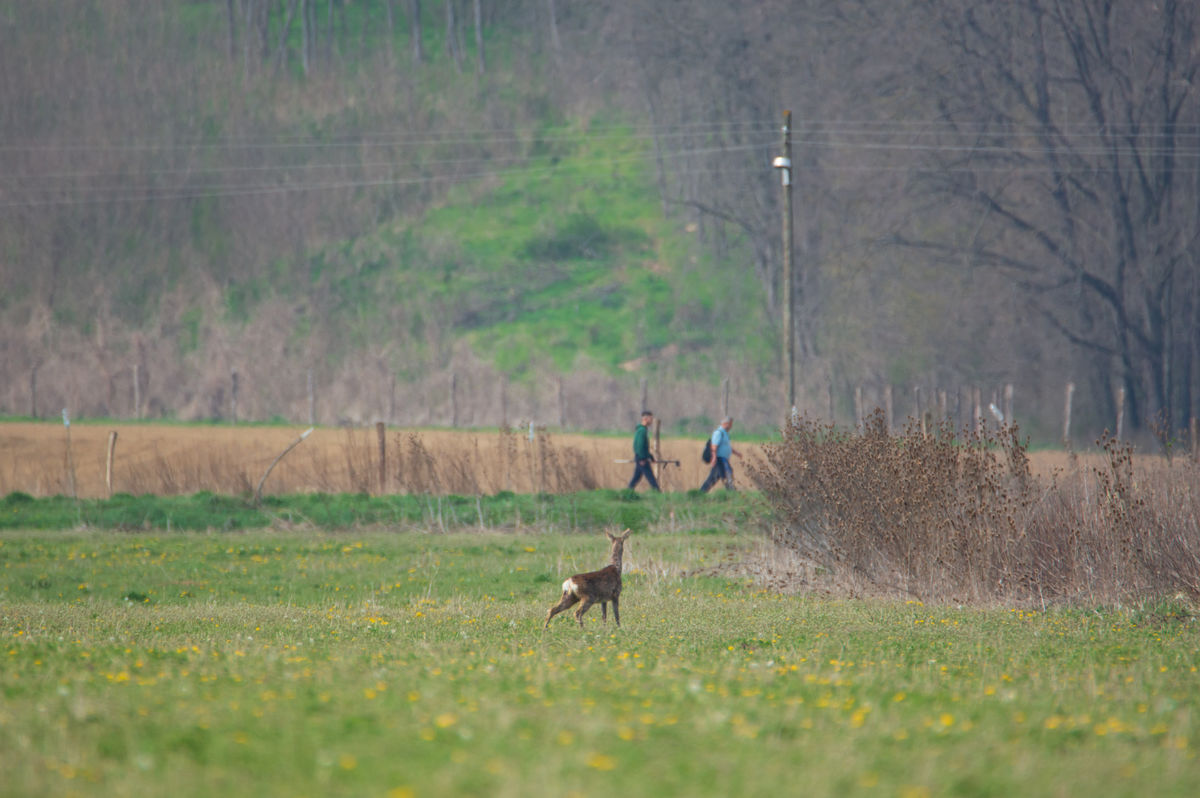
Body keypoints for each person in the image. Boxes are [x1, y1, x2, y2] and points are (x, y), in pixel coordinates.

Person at [700, 416, 741, 492]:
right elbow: (714, 446)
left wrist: (736, 453)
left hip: (723, 459)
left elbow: (726, 446)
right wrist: (714, 458)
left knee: (717, 476)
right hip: (719, 459)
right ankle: (731, 491)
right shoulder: (718, 433)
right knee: (726, 473)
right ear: (726, 423)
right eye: (730, 424)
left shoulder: (725, 433)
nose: (731, 426)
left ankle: (702, 492)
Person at [627, 410, 661, 492]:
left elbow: (644, 447)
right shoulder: (642, 431)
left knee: (636, 477)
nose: (652, 421)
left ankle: (628, 491)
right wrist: (642, 458)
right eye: (651, 418)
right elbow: (639, 446)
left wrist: (651, 457)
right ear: (645, 419)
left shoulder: (643, 430)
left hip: (640, 457)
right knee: (651, 478)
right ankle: (658, 494)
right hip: (641, 458)